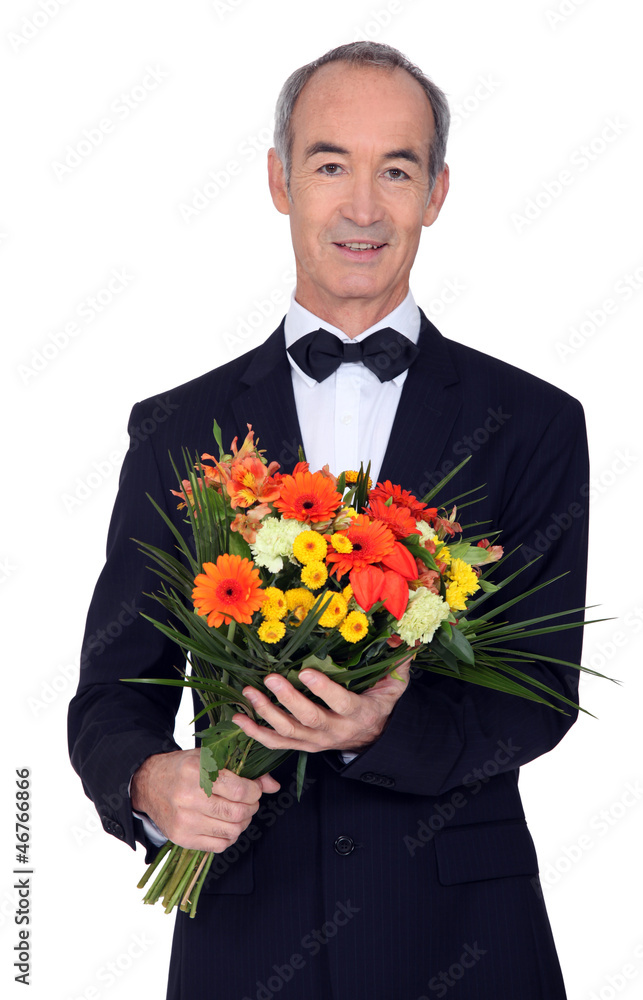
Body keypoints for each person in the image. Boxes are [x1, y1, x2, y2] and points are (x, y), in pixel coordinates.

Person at [68, 41, 589, 999]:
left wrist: (379, 726)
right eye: (329, 165)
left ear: (435, 192)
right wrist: (148, 783)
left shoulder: (534, 423)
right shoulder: (178, 429)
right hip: (244, 937)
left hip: (466, 937)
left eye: (396, 170)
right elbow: (113, 690)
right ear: (280, 181)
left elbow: (541, 691)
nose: (362, 208)